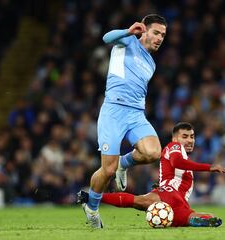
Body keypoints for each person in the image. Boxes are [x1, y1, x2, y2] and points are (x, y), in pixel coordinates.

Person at [81, 14, 167, 228]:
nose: (159, 38)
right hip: (114, 111)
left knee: (154, 152)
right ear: (144, 30)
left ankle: (123, 163)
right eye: (156, 32)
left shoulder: (151, 63)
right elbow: (106, 38)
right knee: (107, 170)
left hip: (136, 114)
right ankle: (91, 207)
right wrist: (128, 31)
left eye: (163, 35)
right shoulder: (126, 41)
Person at [78, 122, 225, 227]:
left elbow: (172, 168)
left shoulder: (182, 154)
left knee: (142, 202)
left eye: (192, 136)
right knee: (141, 201)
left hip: (177, 199)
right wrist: (208, 167)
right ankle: (91, 197)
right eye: (185, 136)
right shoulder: (175, 147)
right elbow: (176, 162)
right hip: (171, 193)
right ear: (175, 138)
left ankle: (198, 220)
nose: (190, 140)